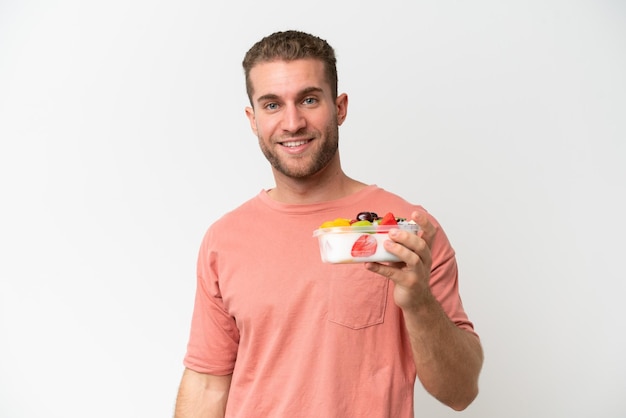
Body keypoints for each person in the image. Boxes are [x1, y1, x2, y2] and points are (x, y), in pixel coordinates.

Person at [174, 30, 483, 418]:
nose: (292, 122)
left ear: (339, 107)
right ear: (252, 119)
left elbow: (461, 391)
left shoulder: (406, 233)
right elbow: (206, 384)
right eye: (272, 105)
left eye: (308, 99)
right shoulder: (224, 239)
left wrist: (419, 302)